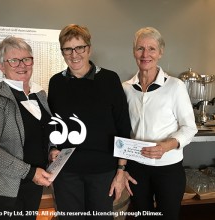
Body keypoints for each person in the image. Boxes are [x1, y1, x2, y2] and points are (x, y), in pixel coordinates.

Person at [48, 24, 136, 219]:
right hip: (67, 173)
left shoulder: (109, 80)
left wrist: (121, 170)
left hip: (103, 172)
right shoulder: (56, 83)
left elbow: (123, 127)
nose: (74, 54)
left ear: (89, 48)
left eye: (80, 47)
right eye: (68, 49)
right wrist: (52, 148)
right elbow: (53, 124)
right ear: (62, 52)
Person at [0, 36, 53, 220]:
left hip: (32, 186)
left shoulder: (40, 94)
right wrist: (29, 172)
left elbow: (43, 132)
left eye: (26, 59)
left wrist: (52, 150)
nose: (22, 65)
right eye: (13, 60)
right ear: (1, 66)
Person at [122, 27, 198, 220]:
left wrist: (167, 145)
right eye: (140, 48)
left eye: (151, 49)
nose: (145, 54)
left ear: (160, 52)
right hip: (136, 166)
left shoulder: (175, 86)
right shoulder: (125, 88)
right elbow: (121, 128)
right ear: (133, 52)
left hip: (168, 168)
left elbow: (190, 127)